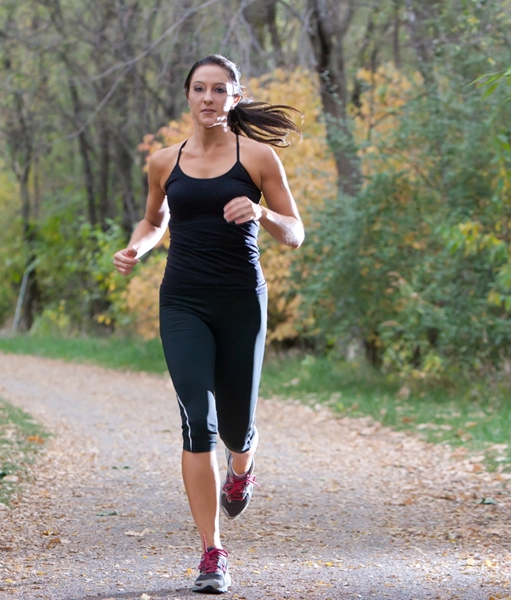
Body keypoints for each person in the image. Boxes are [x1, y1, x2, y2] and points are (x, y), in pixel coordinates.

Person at [113, 54, 304, 594]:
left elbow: (295, 232)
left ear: (235, 97)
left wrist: (262, 213)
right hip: (182, 302)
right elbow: (154, 220)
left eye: (220, 89)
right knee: (199, 421)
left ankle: (241, 468)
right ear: (187, 95)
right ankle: (211, 551)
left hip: (242, 301)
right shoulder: (163, 162)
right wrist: (137, 247)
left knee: (237, 429)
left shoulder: (258, 157)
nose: (208, 98)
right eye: (200, 88)